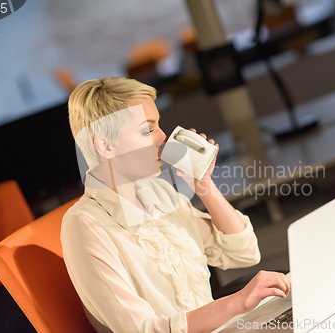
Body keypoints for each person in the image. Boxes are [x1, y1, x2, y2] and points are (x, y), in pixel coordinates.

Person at [61, 76, 291, 333]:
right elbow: (141, 330)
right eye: (148, 130)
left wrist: (204, 185)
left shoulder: (158, 192)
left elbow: (244, 253)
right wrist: (237, 303)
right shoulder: (84, 224)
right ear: (105, 145)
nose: (163, 138)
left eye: (159, 126)